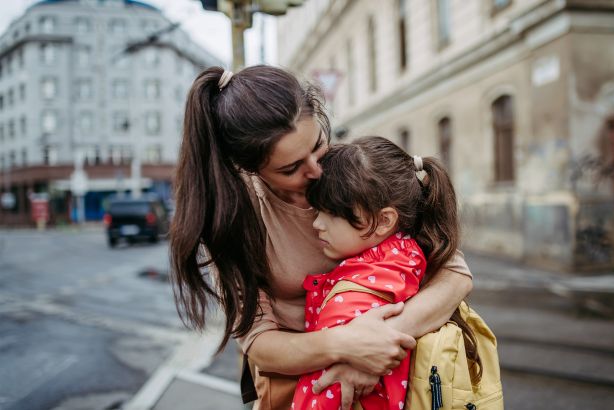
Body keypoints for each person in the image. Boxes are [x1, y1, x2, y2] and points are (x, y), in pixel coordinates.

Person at [169, 66, 473, 409]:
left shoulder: (354, 171)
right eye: (290, 168)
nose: (315, 170)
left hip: (397, 383)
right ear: (250, 168)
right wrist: (345, 347)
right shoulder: (232, 218)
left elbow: (454, 274)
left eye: (318, 146)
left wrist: (377, 348)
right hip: (302, 392)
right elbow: (261, 345)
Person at [293, 136, 462, 409]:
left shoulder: (358, 292)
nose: (317, 223)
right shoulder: (410, 255)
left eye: (331, 213)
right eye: (317, 210)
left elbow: (324, 393)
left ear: (384, 220)